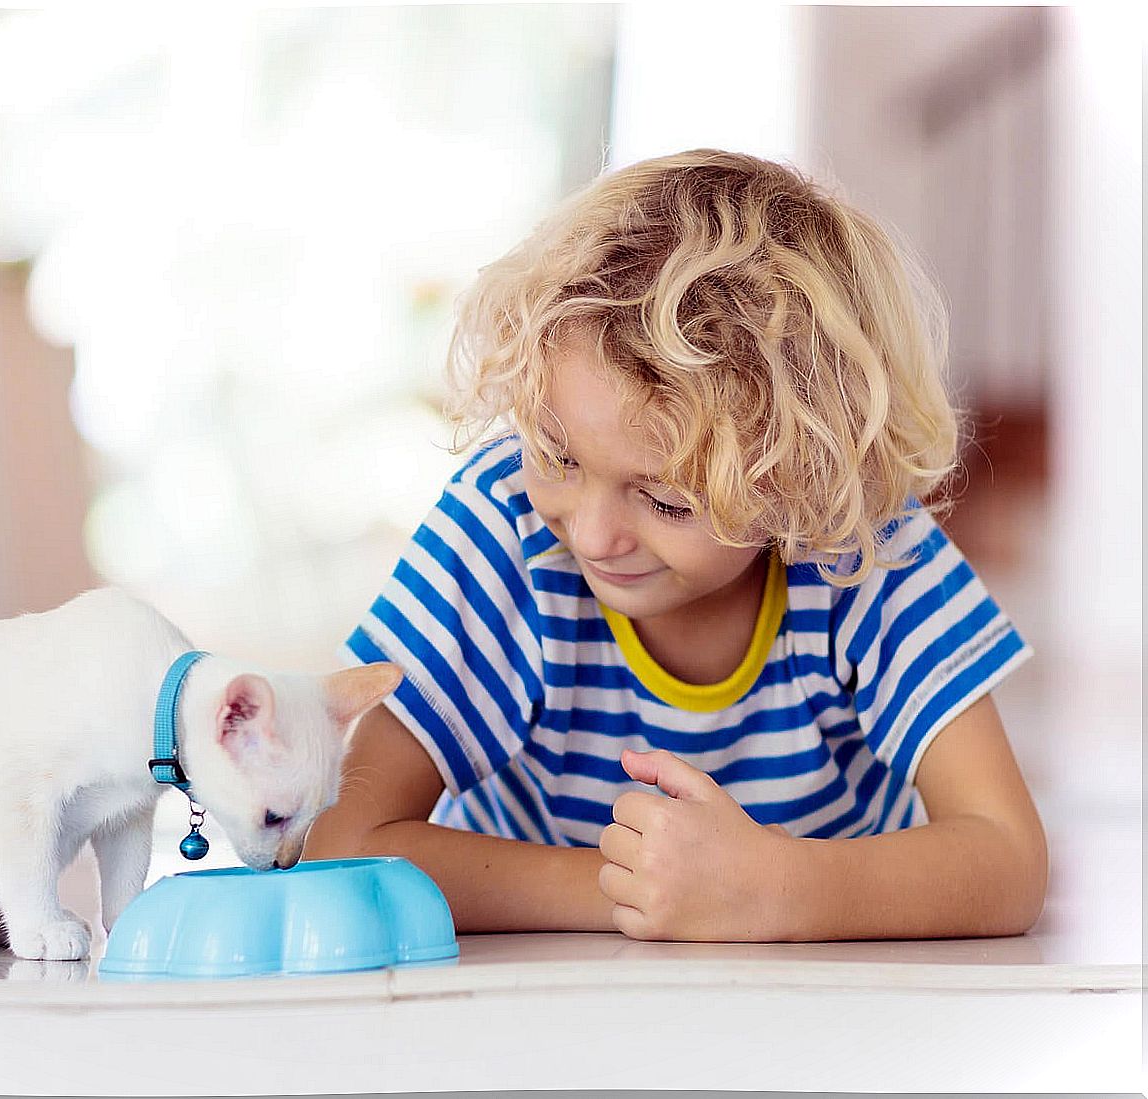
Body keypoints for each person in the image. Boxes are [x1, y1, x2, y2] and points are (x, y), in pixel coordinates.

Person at [302, 148, 1048, 941]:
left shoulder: (864, 542)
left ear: (800, 477)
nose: (592, 533)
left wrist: (781, 889)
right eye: (559, 454)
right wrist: (641, 891)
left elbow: (1008, 858)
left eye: (665, 499)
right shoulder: (505, 523)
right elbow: (339, 846)